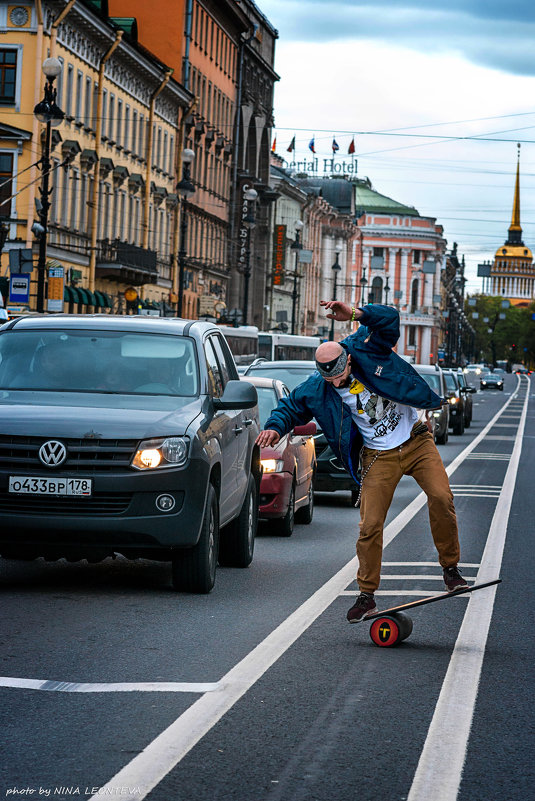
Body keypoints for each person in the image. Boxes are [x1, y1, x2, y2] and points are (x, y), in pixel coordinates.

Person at [256, 300, 468, 624]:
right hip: (378, 456)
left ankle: (450, 569)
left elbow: (390, 320)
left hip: (416, 440)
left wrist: (356, 313)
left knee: (442, 497)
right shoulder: (317, 387)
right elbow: (290, 407)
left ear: (348, 359)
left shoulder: (366, 347)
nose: (338, 383)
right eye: (332, 381)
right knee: (369, 526)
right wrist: (273, 427)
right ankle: (366, 595)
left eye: (342, 375)